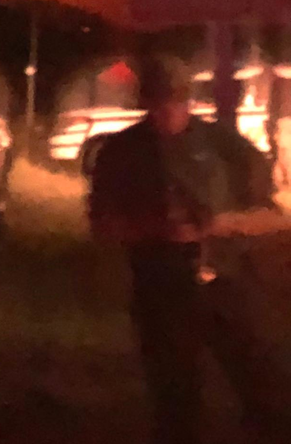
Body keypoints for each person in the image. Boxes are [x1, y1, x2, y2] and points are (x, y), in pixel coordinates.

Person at [88, 52, 291, 443]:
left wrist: (221, 224)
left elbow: (273, 217)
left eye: (175, 102)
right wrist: (155, 229)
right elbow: (102, 224)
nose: (166, 112)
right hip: (161, 288)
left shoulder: (225, 146)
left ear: (189, 101)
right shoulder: (122, 152)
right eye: (157, 103)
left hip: (228, 284)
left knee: (264, 387)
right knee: (175, 399)